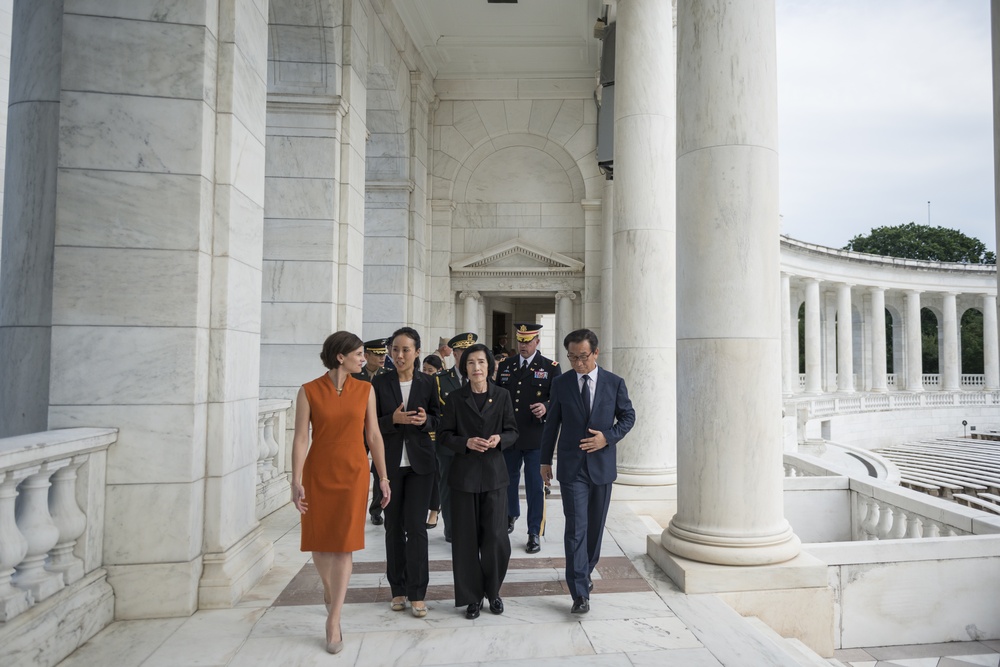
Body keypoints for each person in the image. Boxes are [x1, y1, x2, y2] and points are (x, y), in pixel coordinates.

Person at [292, 331, 391, 654]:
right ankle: (328, 588)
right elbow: (300, 439)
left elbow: (374, 435)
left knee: (345, 546)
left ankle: (333, 620)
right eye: (359, 354)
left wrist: (384, 477)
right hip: (318, 472)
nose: (364, 359)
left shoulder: (365, 389)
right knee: (320, 541)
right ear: (340, 357)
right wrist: (295, 479)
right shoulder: (308, 391)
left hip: (354, 474)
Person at [540, 329, 635, 615]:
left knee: (594, 528)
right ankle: (579, 591)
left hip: (602, 466)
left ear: (595, 352)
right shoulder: (561, 383)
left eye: (583, 357)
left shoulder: (614, 383)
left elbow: (628, 416)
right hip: (572, 468)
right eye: (572, 357)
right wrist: (545, 460)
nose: (578, 363)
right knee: (576, 529)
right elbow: (551, 423)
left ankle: (586, 568)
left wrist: (608, 436)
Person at [437, 343, 518, 619]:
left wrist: (500, 440)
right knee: (466, 540)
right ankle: (472, 597)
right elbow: (445, 435)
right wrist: (466, 442)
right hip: (464, 478)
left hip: (495, 476)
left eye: (482, 362)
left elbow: (512, 431)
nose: (477, 368)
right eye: (471, 363)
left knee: (496, 539)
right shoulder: (455, 398)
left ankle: (493, 592)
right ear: (465, 368)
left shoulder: (503, 395)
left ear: (490, 366)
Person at [372, 327, 438, 618]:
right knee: (393, 527)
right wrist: (393, 420)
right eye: (394, 350)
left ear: (417, 352)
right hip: (389, 466)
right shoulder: (379, 383)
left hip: (420, 465)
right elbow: (370, 425)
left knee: (417, 528)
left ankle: (418, 592)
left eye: (405, 350)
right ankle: (397, 588)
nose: (399, 355)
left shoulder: (428, 382)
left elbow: (439, 418)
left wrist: (425, 421)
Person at [496, 323, 561, 553]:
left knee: (535, 486)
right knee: (508, 480)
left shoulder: (551, 367)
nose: (523, 346)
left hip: (536, 437)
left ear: (537, 342)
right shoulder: (506, 365)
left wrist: (546, 406)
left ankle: (534, 531)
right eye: (520, 341)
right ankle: (510, 515)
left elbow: (558, 401)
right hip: (510, 435)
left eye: (528, 341)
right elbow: (497, 396)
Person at [433, 332, 478, 542]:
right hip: (450, 446)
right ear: (454, 355)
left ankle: (472, 527)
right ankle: (451, 529)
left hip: (476, 447)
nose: (467, 358)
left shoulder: (482, 380)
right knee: (448, 488)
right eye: (463, 353)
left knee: (474, 488)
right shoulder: (441, 381)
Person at [353, 338, 390, 525]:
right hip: (357, 432)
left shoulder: (388, 376)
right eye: (378, 354)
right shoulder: (354, 375)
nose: (382, 357)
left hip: (379, 431)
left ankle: (376, 510)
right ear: (366, 356)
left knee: (379, 472)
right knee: (355, 471)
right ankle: (354, 506)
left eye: (384, 353)